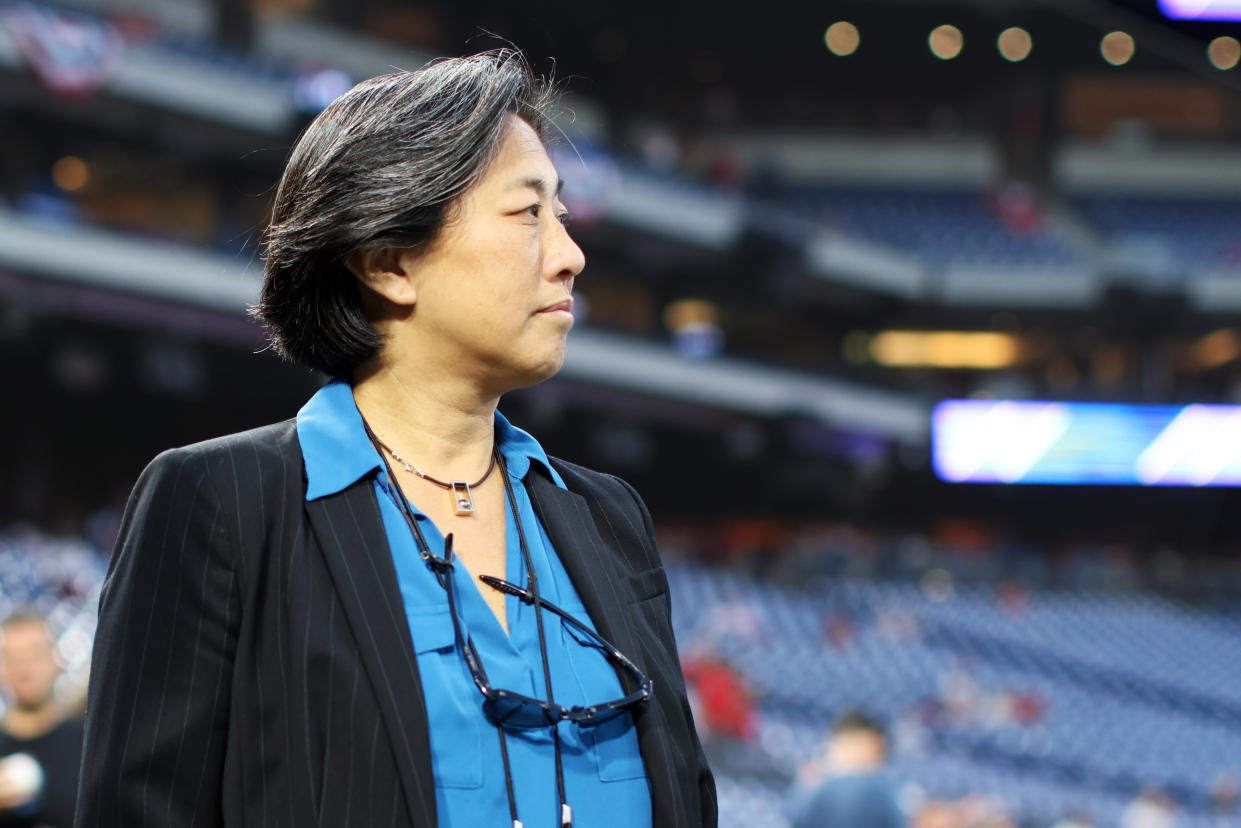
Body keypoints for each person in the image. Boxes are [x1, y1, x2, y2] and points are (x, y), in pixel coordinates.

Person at [75, 49, 716, 828]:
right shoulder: (224, 503)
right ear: (387, 262)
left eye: (563, 217)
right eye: (527, 214)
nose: (570, 256)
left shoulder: (606, 516)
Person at [0, 612, 83, 828]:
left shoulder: (88, 743)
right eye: (13, 658)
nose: (24, 669)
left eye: (34, 654)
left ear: (56, 660)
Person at [787, 712, 905, 828]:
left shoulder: (806, 788)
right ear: (867, 741)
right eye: (879, 749)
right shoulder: (878, 795)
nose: (881, 758)